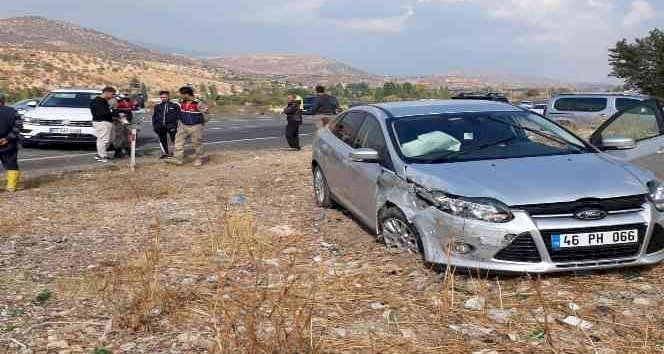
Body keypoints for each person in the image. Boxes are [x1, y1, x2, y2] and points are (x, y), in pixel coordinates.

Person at [168, 86, 208, 166]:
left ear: (186, 94)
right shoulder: (182, 102)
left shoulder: (198, 103)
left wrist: (201, 123)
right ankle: (178, 159)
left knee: (197, 143)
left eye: (181, 94)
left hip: (195, 127)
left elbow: (207, 114)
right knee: (178, 142)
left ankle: (199, 159)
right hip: (183, 126)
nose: (180, 95)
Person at [90, 86, 119, 162]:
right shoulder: (98, 101)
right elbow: (102, 113)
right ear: (107, 92)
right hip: (102, 122)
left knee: (110, 139)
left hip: (106, 122)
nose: (113, 96)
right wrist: (114, 110)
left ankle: (101, 154)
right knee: (103, 139)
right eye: (112, 94)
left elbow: (106, 112)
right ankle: (102, 156)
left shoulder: (103, 101)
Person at [0, 93, 21, 192]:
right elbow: (18, 127)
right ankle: (11, 187)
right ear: (3, 101)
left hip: (8, 141)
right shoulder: (13, 111)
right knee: (11, 163)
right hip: (9, 143)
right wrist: (7, 139)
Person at [152, 90, 181, 159]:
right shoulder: (157, 106)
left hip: (171, 126)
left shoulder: (175, 106)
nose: (163, 98)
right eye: (161, 97)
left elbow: (179, 116)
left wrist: (177, 125)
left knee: (175, 140)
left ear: (168, 97)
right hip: (160, 126)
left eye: (165, 97)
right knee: (163, 140)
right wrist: (155, 126)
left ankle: (177, 154)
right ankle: (166, 153)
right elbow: (154, 117)